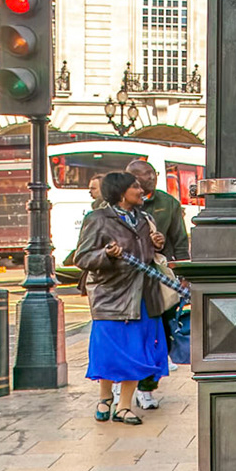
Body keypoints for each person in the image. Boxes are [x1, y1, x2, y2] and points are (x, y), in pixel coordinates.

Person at [72, 171, 169, 425]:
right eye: (135, 186)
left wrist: (157, 243)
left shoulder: (145, 218)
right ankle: (105, 398)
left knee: (137, 351)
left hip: (143, 295)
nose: (141, 190)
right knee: (110, 352)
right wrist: (107, 254)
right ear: (121, 192)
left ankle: (124, 406)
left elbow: (148, 256)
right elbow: (81, 258)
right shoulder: (98, 219)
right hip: (111, 298)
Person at [124, 160, 189, 411]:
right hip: (126, 283)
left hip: (158, 281)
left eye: (154, 174)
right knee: (130, 334)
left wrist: (182, 273)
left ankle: (148, 385)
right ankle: (126, 382)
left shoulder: (167, 204)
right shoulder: (108, 209)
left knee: (161, 333)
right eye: (146, 175)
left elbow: (179, 240)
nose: (152, 178)